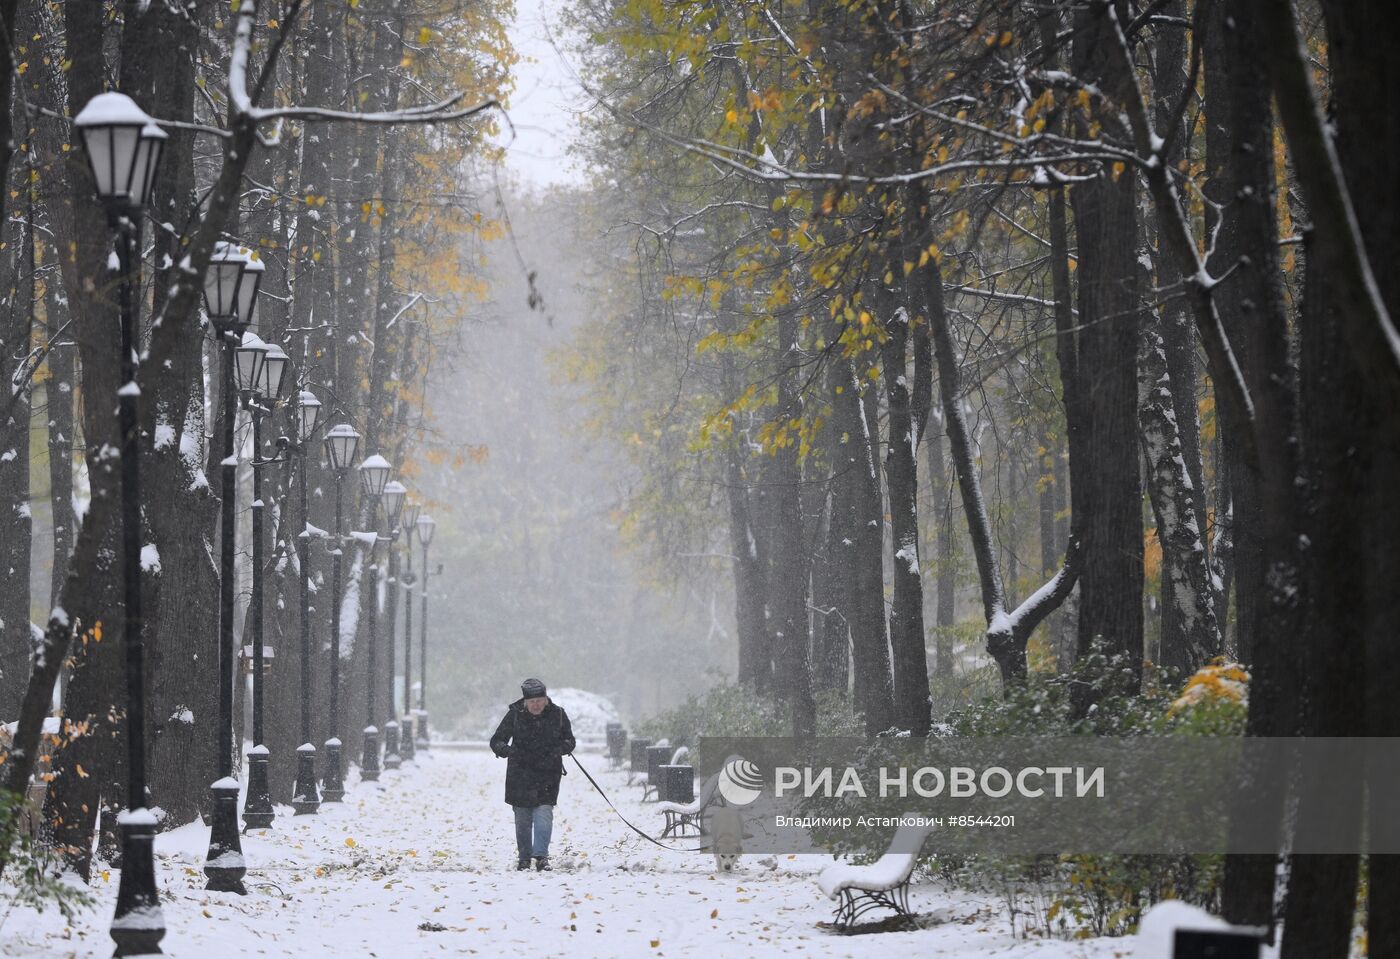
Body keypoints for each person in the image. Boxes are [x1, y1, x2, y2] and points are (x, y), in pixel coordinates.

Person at [489, 678, 576, 871]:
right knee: (522, 818)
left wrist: (559, 750)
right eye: (532, 701)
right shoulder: (514, 715)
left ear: (546, 699)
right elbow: (497, 740)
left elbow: (569, 740)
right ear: (525, 702)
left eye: (539, 700)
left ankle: (541, 857)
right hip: (520, 774)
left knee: (544, 814)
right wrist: (507, 751)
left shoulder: (558, 715)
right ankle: (524, 858)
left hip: (548, 773)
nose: (536, 705)